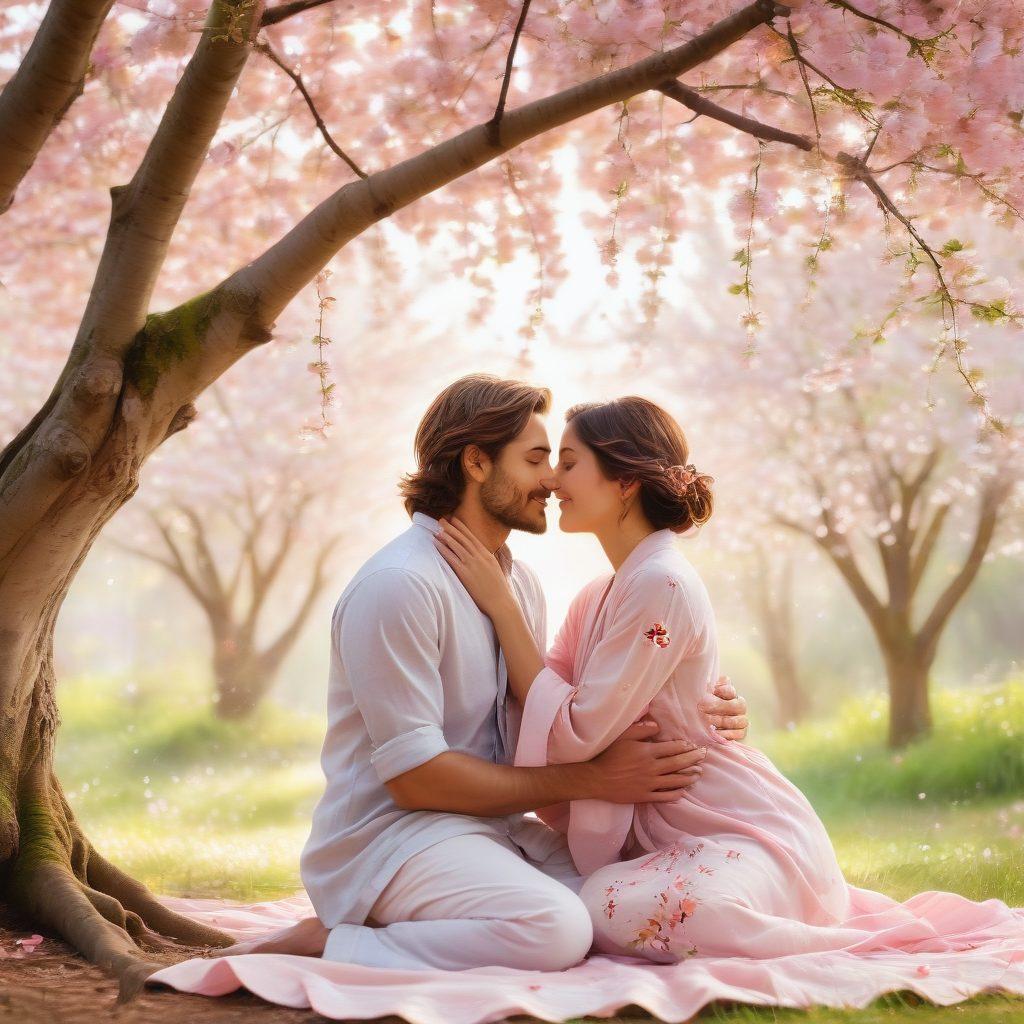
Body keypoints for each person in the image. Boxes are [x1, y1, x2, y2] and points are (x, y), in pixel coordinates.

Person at [435, 394, 1024, 968]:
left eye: (568, 463)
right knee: (587, 902)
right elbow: (539, 702)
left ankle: (818, 935)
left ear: (625, 481)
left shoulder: (662, 582)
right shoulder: (597, 598)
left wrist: (503, 610)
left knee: (605, 906)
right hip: (673, 838)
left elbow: (579, 727)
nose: (554, 482)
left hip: (736, 827)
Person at [212, 374, 749, 970]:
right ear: (476, 462)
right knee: (558, 930)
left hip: (494, 829)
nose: (551, 479)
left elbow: (552, 712)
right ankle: (336, 940)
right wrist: (593, 780)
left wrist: (695, 704)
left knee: (622, 905)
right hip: (393, 839)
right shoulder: (400, 586)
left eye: (559, 461)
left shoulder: (518, 585)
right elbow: (417, 782)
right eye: (536, 458)